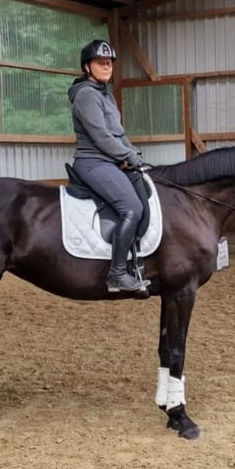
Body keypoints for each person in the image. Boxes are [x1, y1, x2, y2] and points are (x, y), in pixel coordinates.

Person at [68, 39, 148, 293]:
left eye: (109, 63)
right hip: (93, 162)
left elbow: (118, 134)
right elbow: (101, 137)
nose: (107, 66)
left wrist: (133, 153)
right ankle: (117, 274)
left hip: (110, 161)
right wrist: (125, 154)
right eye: (100, 62)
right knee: (132, 208)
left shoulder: (106, 95)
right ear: (87, 67)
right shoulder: (85, 95)